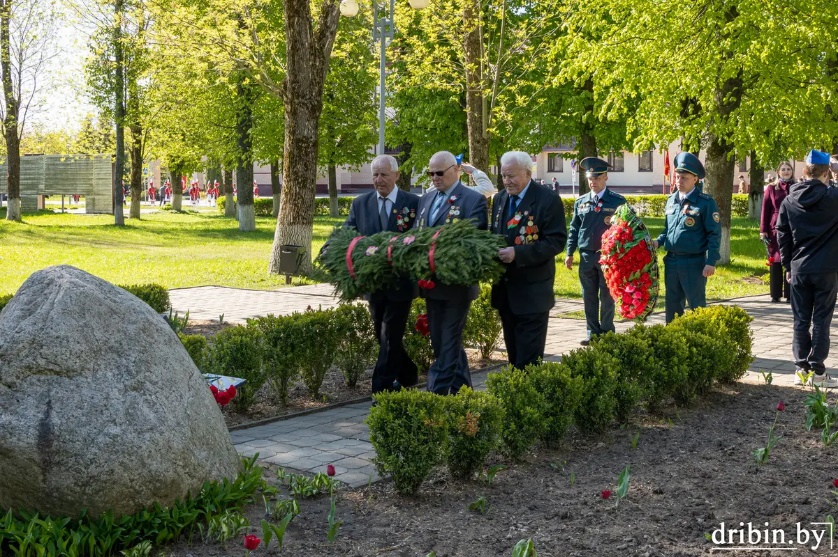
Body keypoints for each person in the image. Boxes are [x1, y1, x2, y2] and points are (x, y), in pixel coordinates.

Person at [344, 155, 421, 393]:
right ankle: (408, 373)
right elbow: (348, 231)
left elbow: (420, 236)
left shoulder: (413, 203)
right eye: (375, 175)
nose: (379, 180)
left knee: (390, 332)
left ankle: (382, 387)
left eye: (384, 175)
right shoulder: (361, 203)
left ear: (396, 175)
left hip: (401, 282)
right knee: (381, 332)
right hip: (373, 282)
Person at [417, 151, 488, 395]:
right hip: (431, 286)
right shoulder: (426, 199)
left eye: (439, 172)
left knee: (447, 344)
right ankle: (464, 395)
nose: (434, 178)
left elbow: (473, 242)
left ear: (456, 170)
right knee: (443, 343)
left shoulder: (472, 200)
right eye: (431, 173)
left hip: (457, 287)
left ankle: (433, 398)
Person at [490, 151, 567, 368]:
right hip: (506, 293)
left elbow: (555, 241)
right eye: (504, 176)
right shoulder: (500, 198)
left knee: (529, 362)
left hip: (533, 294)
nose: (507, 181)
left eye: (511, 176)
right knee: (514, 357)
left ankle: (528, 389)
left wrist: (518, 254)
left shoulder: (547, 199)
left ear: (527, 173)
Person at [775, 149, 838, 387]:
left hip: (799, 267)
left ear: (804, 171)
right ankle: (818, 372)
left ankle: (801, 369)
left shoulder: (789, 199)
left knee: (800, 320)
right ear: (826, 172)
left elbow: (782, 234)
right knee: (821, 320)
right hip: (827, 269)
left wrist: (787, 264)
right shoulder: (833, 198)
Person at [653, 152, 721, 323]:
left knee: (696, 306)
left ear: (695, 179)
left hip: (694, 263)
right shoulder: (671, 200)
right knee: (672, 305)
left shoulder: (705, 202)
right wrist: (657, 242)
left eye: (684, 178)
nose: (679, 181)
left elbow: (714, 234)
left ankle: (701, 337)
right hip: (672, 261)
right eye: (677, 177)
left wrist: (711, 261)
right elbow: (667, 230)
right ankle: (673, 337)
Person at [565, 157, 626, 345]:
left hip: (608, 257)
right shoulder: (581, 202)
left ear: (605, 177)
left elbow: (626, 229)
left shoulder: (617, 201)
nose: (593, 182)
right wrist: (569, 252)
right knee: (588, 296)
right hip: (586, 256)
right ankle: (592, 332)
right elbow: (574, 228)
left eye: (597, 178)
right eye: (590, 178)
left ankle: (607, 332)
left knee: (607, 296)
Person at [760, 162, 794, 302]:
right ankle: (775, 294)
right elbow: (765, 209)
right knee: (775, 259)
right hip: (775, 227)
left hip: (792, 226)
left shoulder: (797, 186)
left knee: (790, 258)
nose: (786, 172)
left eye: (788, 169)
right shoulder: (771, 188)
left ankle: (790, 294)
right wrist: (763, 230)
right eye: (783, 169)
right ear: (778, 172)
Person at [425, 161, 496, 198]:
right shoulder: (461, 192)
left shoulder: (428, 195)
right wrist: (474, 171)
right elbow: (488, 189)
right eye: (460, 168)